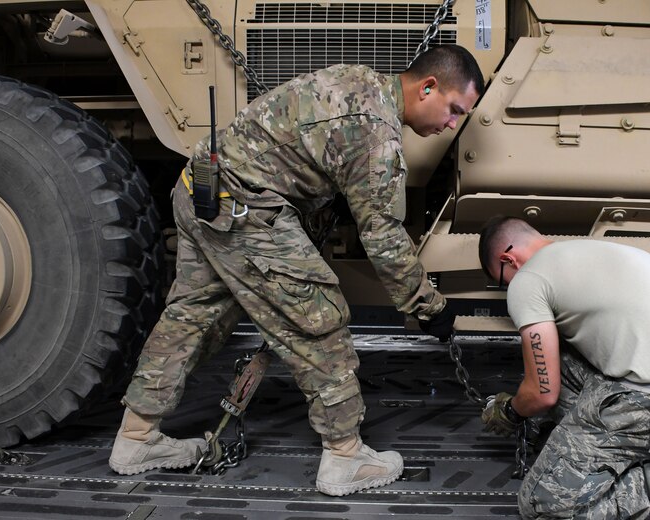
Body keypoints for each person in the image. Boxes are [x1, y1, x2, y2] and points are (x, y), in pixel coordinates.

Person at [108, 44, 484, 496]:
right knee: (320, 319)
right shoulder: (378, 133)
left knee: (193, 316)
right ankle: (345, 457)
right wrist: (428, 306)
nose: (451, 125)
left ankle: (136, 439)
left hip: (200, 187)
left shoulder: (357, 79)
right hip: (243, 206)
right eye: (454, 110)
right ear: (427, 88)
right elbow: (383, 238)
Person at [478, 215, 650, 519]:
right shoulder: (596, 252)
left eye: (503, 279)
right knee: (564, 354)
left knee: (542, 507)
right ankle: (581, 457)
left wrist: (509, 411)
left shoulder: (529, 278)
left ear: (508, 258)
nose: (508, 287)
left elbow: (542, 392)